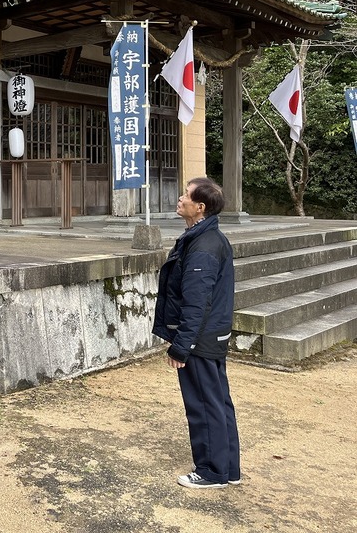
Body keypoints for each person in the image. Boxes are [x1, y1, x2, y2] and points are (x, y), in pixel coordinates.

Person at [152, 177, 241, 489]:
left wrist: (180, 346)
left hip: (199, 338)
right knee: (217, 402)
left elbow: (195, 303)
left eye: (185, 196)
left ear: (199, 207)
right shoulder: (206, 238)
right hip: (210, 335)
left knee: (204, 404)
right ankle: (228, 469)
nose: (179, 199)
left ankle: (212, 471)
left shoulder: (203, 247)